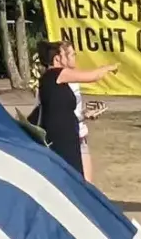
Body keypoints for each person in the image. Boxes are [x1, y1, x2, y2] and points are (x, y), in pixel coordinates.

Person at [29, 42, 115, 182]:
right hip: (62, 139)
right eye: (64, 55)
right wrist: (109, 68)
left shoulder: (50, 79)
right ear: (57, 59)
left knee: (75, 178)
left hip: (68, 135)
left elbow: (61, 108)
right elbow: (92, 76)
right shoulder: (56, 74)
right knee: (70, 178)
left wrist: (84, 115)